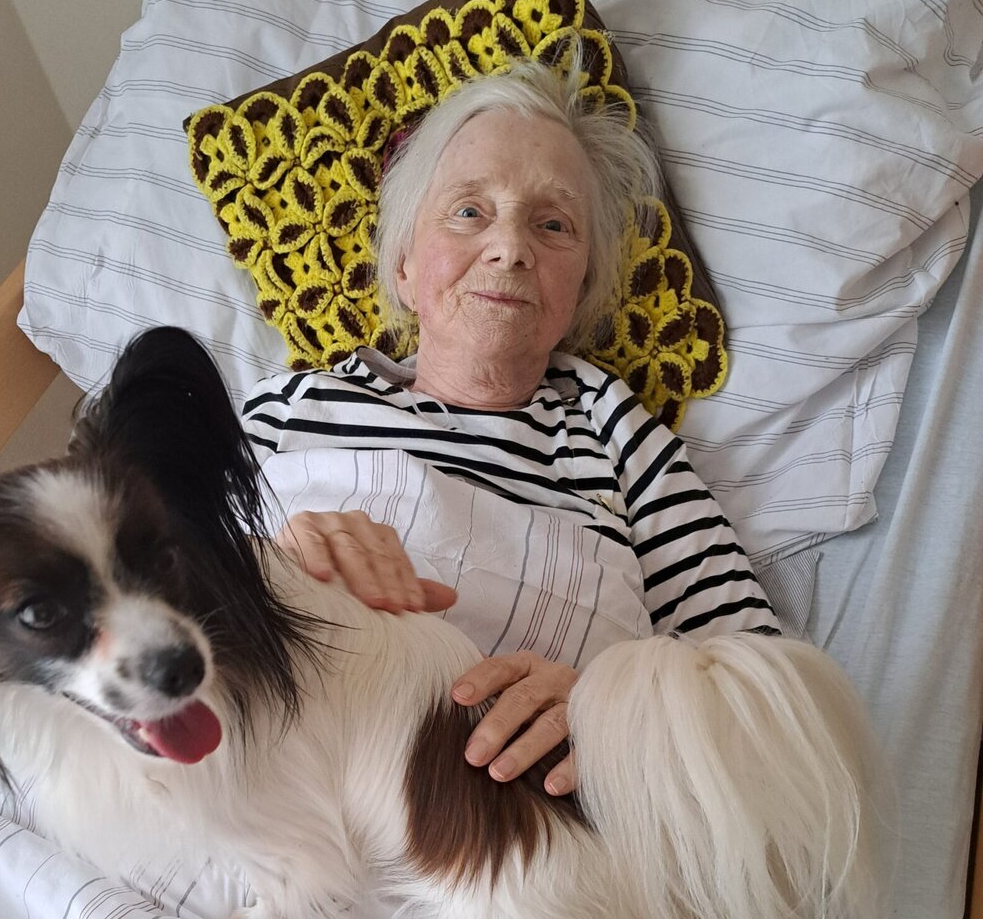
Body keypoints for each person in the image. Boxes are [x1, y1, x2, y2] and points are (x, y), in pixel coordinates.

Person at [242, 54, 776, 796]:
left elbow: (760, 685)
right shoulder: (290, 409)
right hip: (280, 786)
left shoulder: (620, 439)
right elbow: (141, 590)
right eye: (469, 211)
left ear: (581, 289)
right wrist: (260, 570)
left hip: (514, 831)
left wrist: (609, 715)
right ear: (403, 264)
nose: (511, 248)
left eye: (553, 224)